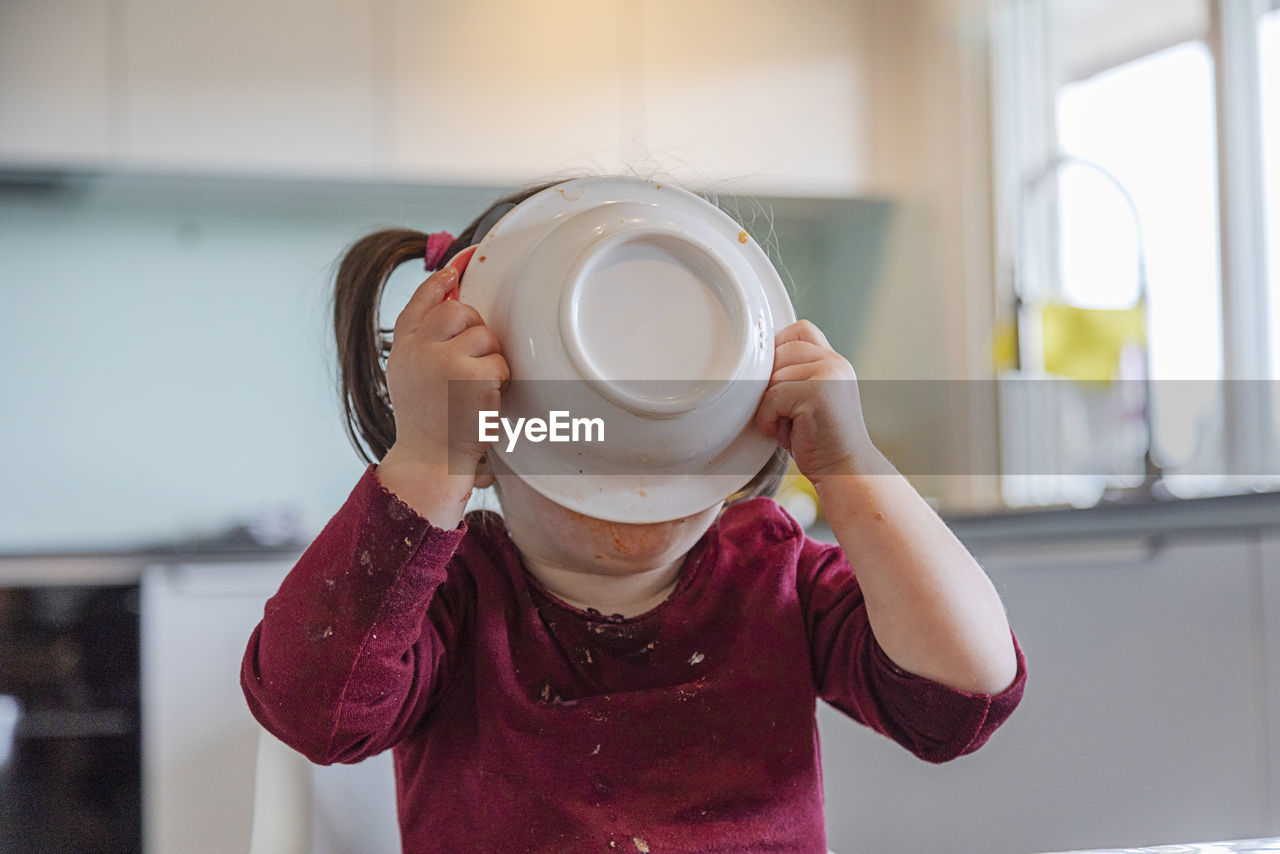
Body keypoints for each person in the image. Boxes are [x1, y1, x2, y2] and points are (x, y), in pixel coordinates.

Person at [241, 179, 1026, 854]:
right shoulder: (455, 600)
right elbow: (312, 709)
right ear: (489, 446)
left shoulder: (772, 573)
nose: (639, 495)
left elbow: (959, 700)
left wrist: (850, 466)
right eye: (593, 469)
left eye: (672, 466)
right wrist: (427, 456)